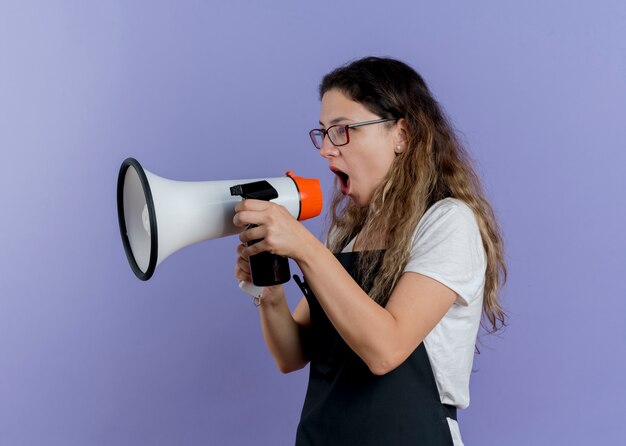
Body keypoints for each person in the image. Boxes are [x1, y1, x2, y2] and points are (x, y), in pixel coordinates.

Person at [233, 56, 506, 446]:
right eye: (324, 133)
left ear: (401, 135)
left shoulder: (448, 222)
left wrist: (305, 247)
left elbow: (386, 349)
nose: (327, 150)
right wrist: (269, 291)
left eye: (343, 131)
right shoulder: (345, 235)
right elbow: (291, 355)